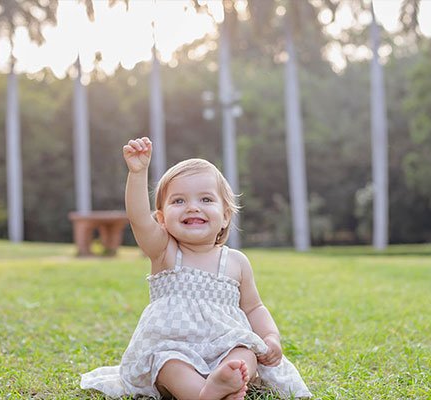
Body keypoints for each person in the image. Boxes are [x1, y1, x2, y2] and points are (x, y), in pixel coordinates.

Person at [80, 137, 311, 399]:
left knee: (246, 352)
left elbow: (253, 307)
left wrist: (270, 337)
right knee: (169, 366)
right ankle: (206, 393)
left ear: (225, 216)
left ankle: (225, 380)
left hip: (223, 348)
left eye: (205, 199)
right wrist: (137, 172)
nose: (192, 207)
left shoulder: (236, 262)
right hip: (175, 349)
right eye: (178, 201)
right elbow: (139, 219)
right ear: (162, 218)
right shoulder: (165, 252)